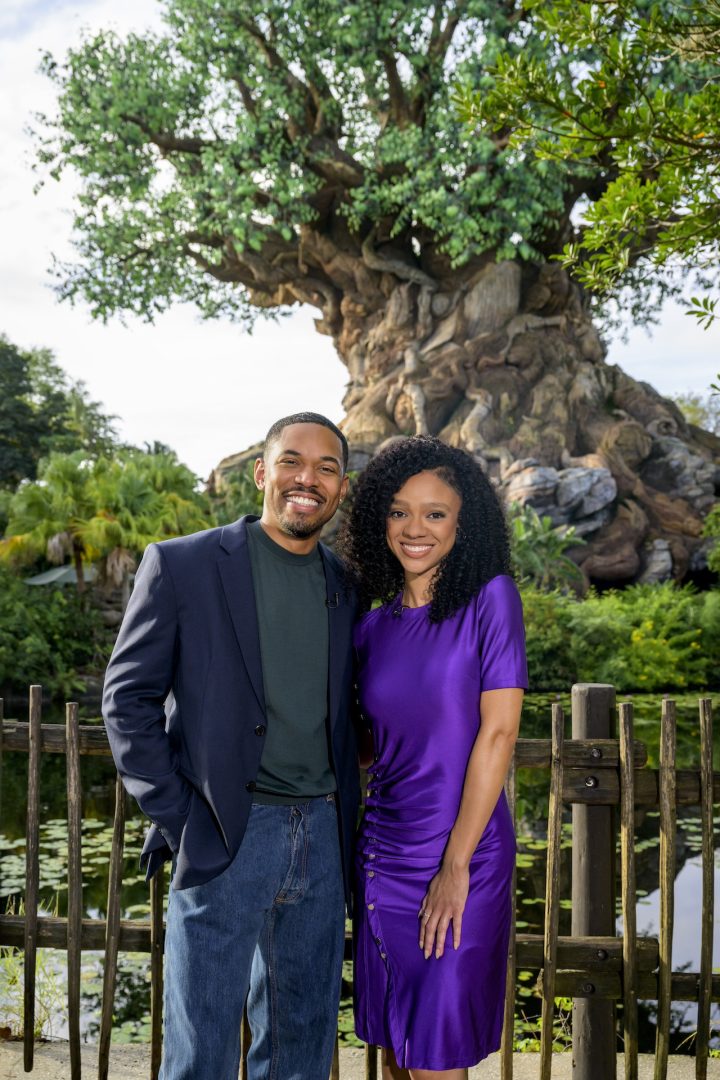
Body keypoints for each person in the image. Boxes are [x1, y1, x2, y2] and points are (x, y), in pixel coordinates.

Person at [102, 412, 360, 1080]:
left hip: (324, 835)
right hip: (224, 833)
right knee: (201, 1053)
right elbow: (126, 700)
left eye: (327, 467)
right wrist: (182, 816)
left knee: (302, 1049)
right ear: (261, 473)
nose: (309, 479)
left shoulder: (348, 586)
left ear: (341, 486)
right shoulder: (182, 565)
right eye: (292, 462)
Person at [338, 435, 528, 1080]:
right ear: (377, 521)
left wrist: (455, 865)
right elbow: (370, 744)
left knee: (436, 1058)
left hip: (462, 853)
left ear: (462, 522)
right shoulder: (370, 628)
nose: (414, 528)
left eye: (435, 513)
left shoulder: (490, 600)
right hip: (383, 852)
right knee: (396, 1046)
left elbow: (497, 736)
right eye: (398, 511)